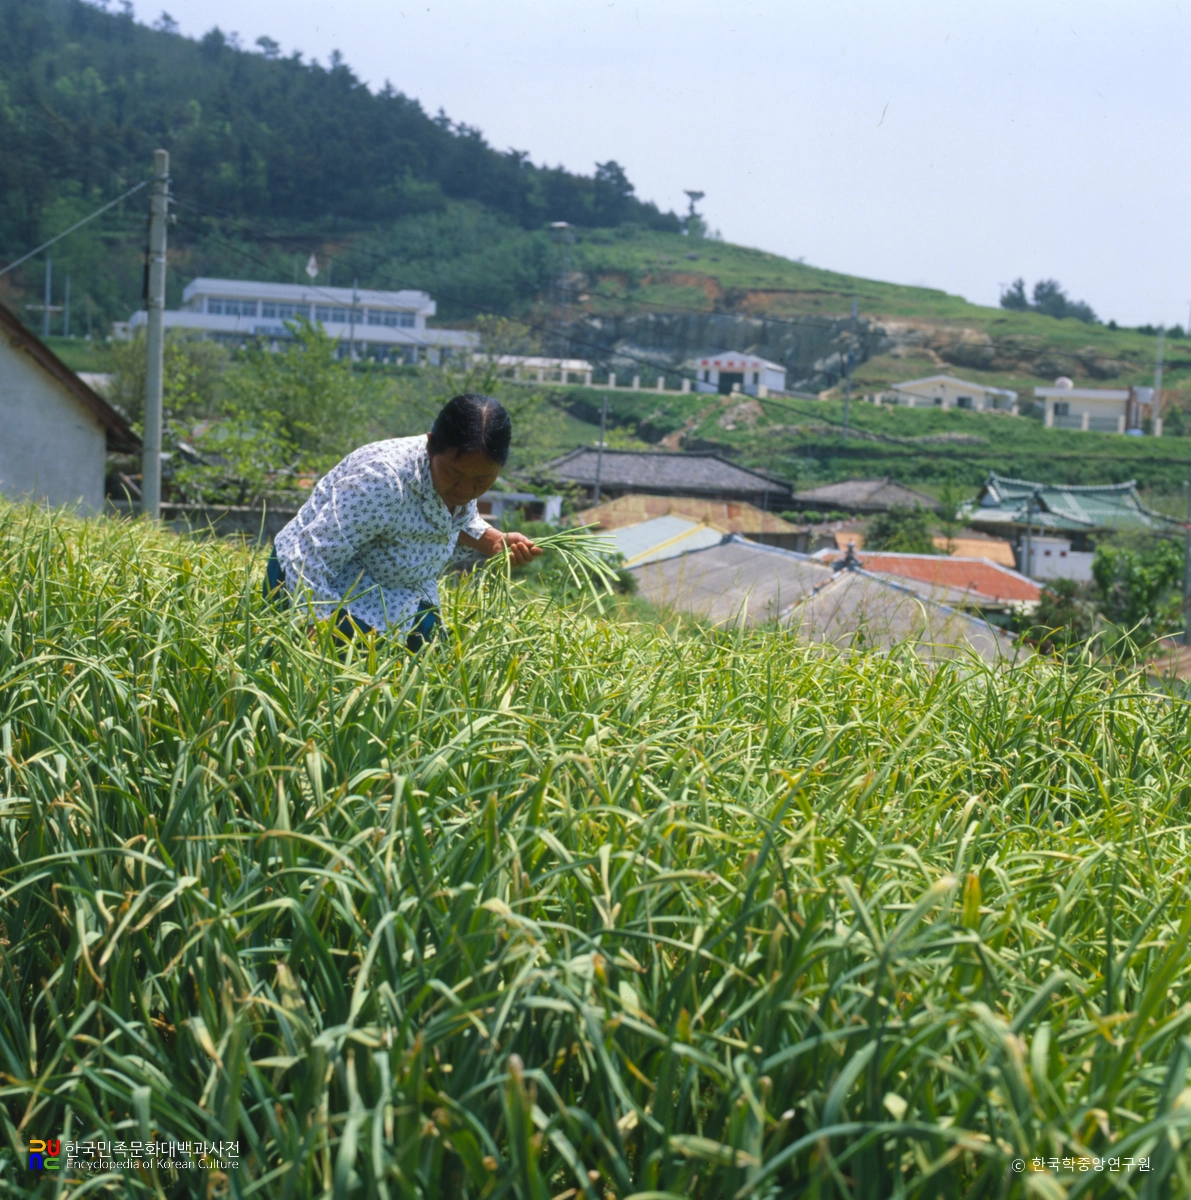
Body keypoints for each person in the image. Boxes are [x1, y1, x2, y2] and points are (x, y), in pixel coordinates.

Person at [265, 393, 541, 649]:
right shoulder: (383, 479)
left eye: (482, 479)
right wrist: (315, 627)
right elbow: (311, 555)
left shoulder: (455, 475)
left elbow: (453, 519)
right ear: (431, 446)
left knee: (424, 653)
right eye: (455, 474)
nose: (467, 489)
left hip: (387, 592)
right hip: (313, 585)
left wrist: (494, 541)